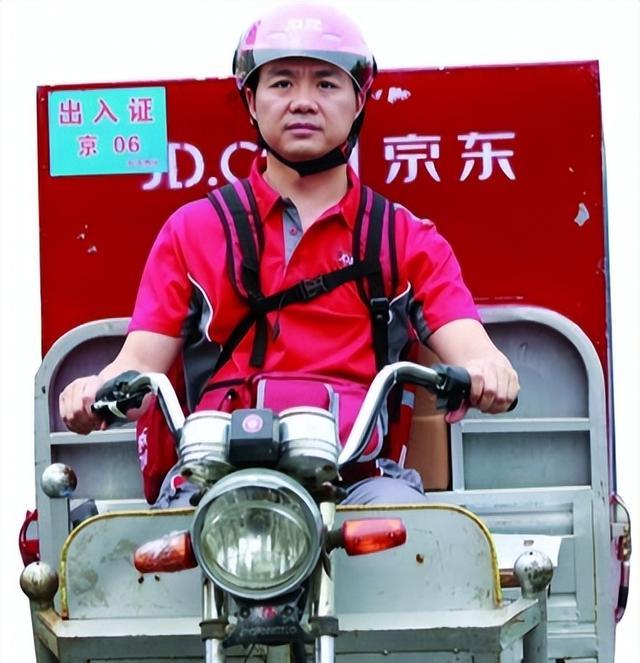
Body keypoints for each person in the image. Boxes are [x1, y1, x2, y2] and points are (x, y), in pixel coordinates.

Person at [59, 3, 519, 507]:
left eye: (326, 83)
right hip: (213, 481)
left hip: (355, 481)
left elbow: (471, 345)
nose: (303, 102)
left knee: (407, 527)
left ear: (359, 100)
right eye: (281, 83)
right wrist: (95, 391)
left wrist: (488, 370)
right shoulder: (192, 231)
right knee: (156, 547)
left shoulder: (406, 237)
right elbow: (138, 364)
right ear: (251, 100)